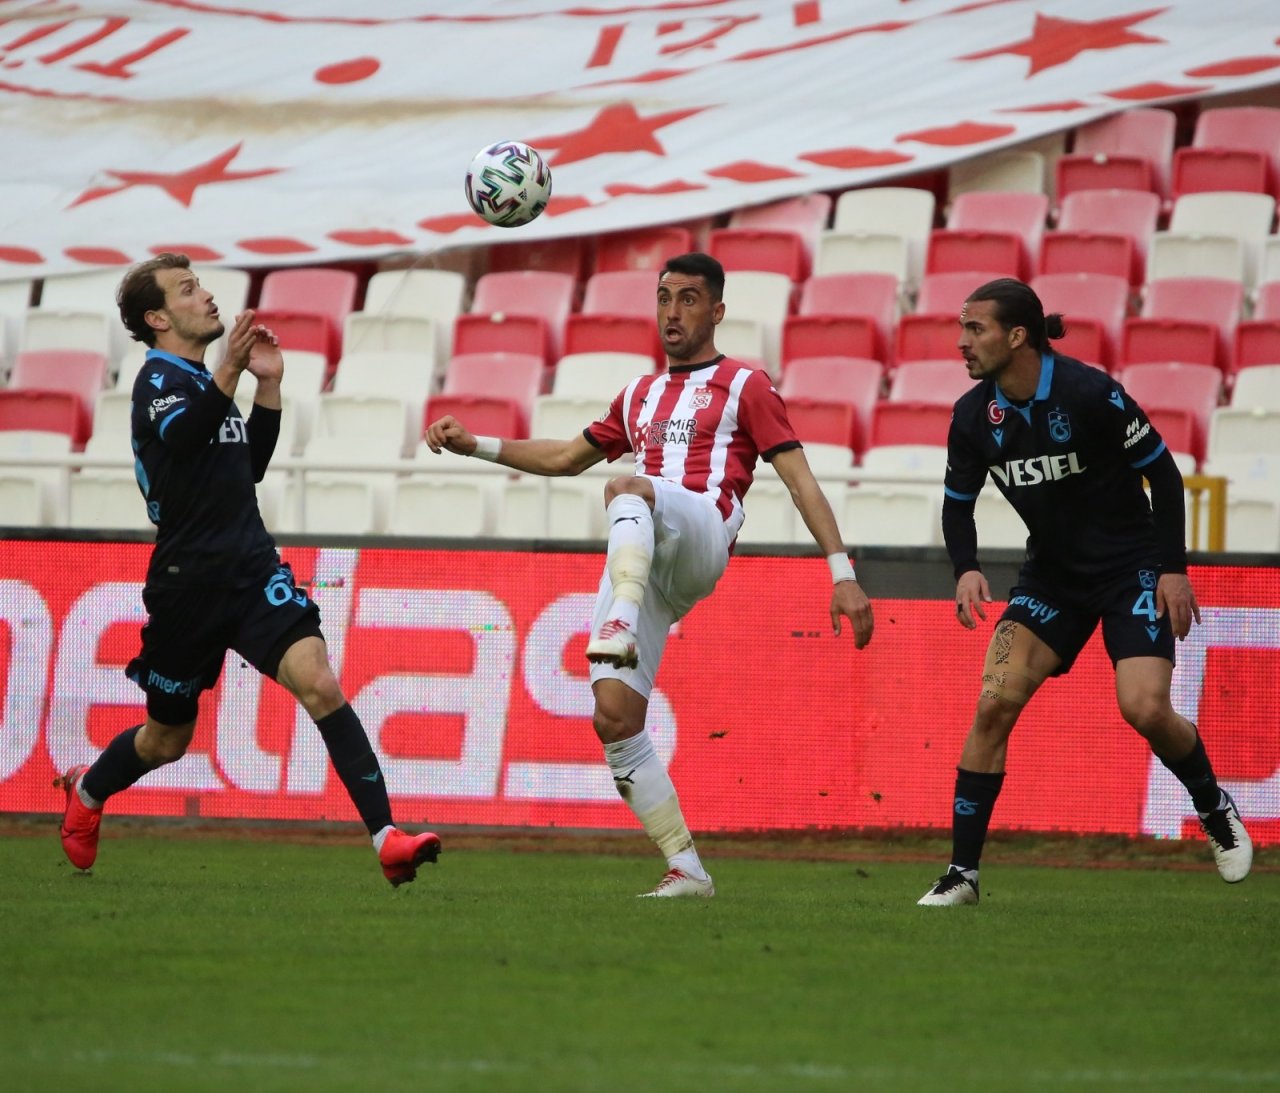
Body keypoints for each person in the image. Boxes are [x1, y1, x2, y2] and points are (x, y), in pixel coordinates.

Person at [426, 252, 874, 897]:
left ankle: (618, 616)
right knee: (613, 716)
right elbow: (562, 457)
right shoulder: (638, 393)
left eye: (689, 298)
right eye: (664, 297)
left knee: (631, 487)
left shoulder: (746, 383)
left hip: (700, 534)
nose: (673, 311)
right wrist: (480, 445)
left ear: (717, 311)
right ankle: (686, 866)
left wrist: (841, 571)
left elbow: (800, 480)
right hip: (645, 552)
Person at [54, 253, 441, 887]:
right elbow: (182, 440)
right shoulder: (158, 382)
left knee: (319, 682)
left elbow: (247, 467)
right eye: (188, 290)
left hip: (253, 568)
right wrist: (231, 370)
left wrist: (269, 388)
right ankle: (90, 791)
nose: (207, 297)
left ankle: (387, 838)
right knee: (166, 740)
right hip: (188, 584)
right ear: (157, 318)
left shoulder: (208, 384)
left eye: (201, 285)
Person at [918, 277, 1252, 906]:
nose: (961, 343)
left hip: (1131, 571)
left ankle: (1212, 805)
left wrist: (1172, 569)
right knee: (994, 703)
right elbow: (957, 507)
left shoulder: (1089, 392)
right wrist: (965, 567)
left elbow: (1165, 476)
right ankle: (963, 874)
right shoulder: (971, 417)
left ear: (1017, 336)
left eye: (974, 329)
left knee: (1145, 709)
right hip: (1052, 579)